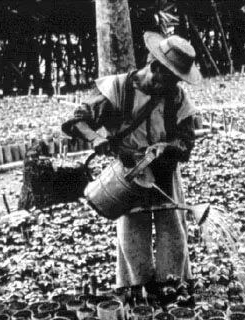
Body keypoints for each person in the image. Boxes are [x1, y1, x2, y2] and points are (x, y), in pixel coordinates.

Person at [62, 32, 201, 304]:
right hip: (128, 171)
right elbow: (77, 120)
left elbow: (186, 141)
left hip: (164, 170)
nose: (172, 85)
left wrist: (168, 147)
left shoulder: (176, 98)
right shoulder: (118, 89)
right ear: (155, 67)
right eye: (169, 77)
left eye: (177, 80)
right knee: (131, 231)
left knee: (172, 228)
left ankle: (172, 285)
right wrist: (95, 137)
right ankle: (136, 288)